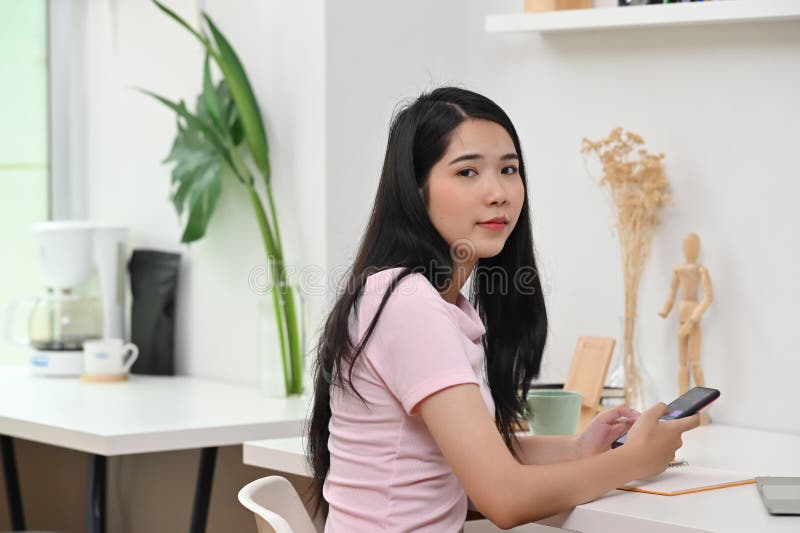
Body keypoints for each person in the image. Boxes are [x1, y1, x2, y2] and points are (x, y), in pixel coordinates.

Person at [305, 86, 700, 532]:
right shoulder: (408, 305)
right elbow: (503, 498)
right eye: (468, 172)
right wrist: (633, 460)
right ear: (416, 190)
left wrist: (580, 447)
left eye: (508, 169)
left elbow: (475, 456)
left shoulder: (427, 301)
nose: (498, 192)